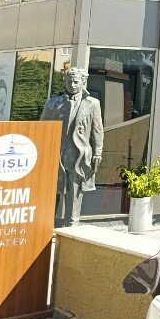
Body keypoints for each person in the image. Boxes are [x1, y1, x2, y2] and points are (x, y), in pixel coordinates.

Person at [41, 68, 104, 227]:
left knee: (75, 192)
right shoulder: (53, 103)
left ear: (83, 82)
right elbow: (41, 129)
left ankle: (72, 224)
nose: (73, 85)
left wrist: (98, 153)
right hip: (55, 153)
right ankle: (46, 225)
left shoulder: (92, 104)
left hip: (78, 154)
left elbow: (97, 130)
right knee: (51, 190)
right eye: (69, 81)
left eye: (76, 81)